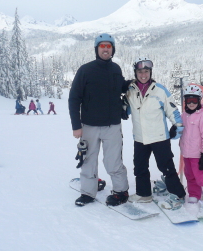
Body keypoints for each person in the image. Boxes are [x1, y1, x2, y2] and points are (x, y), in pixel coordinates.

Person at [68, 33, 131, 207]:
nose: (105, 49)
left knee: (113, 161)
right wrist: (76, 125)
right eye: (102, 46)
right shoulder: (85, 70)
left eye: (108, 46)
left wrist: (136, 82)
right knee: (88, 159)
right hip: (89, 126)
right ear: (97, 49)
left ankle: (120, 191)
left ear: (112, 49)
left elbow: (121, 86)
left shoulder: (115, 69)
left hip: (112, 125)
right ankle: (88, 192)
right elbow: (74, 98)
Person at [126, 57, 187, 210]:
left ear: (150, 72)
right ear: (136, 73)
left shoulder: (160, 90)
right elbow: (125, 110)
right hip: (140, 138)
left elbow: (172, 109)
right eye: (140, 71)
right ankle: (144, 194)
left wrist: (177, 125)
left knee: (166, 167)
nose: (143, 74)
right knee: (139, 167)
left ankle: (178, 194)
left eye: (146, 71)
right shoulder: (130, 91)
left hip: (159, 137)